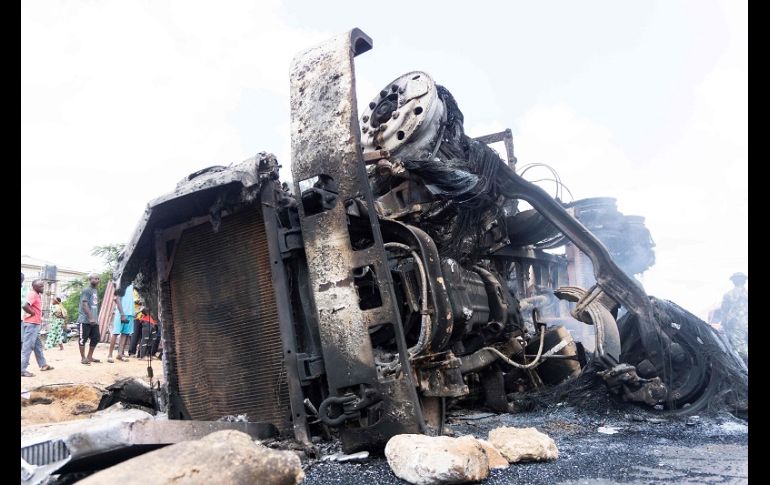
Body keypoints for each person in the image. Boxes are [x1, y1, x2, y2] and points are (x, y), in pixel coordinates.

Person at [21, 279, 54, 376]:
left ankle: (43, 365)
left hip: (34, 324)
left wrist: (38, 313)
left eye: (43, 286)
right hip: (31, 324)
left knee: (38, 346)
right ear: (34, 287)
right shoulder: (33, 294)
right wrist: (33, 313)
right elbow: (24, 305)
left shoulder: (37, 295)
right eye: (40, 286)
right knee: (27, 347)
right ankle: (22, 370)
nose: (43, 288)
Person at [719, 272, 748, 364]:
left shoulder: (728, 295)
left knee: (739, 350)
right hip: (742, 324)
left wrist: (723, 325)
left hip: (735, 325)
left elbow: (724, 312)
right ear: (744, 281)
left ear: (733, 281)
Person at [77, 273, 102, 365]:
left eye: (97, 278)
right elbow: (84, 304)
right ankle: (83, 358)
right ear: (90, 280)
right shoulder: (87, 290)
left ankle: (89, 356)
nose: (96, 280)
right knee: (83, 339)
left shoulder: (95, 290)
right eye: (94, 278)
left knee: (96, 337)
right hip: (85, 320)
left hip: (94, 320)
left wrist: (94, 318)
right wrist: (91, 318)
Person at [107, 284, 135, 363]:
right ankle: (109, 355)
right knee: (115, 333)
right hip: (121, 313)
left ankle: (120, 354)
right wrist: (122, 314)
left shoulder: (132, 286)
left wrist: (133, 312)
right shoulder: (121, 285)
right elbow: (116, 299)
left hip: (130, 314)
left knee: (125, 334)